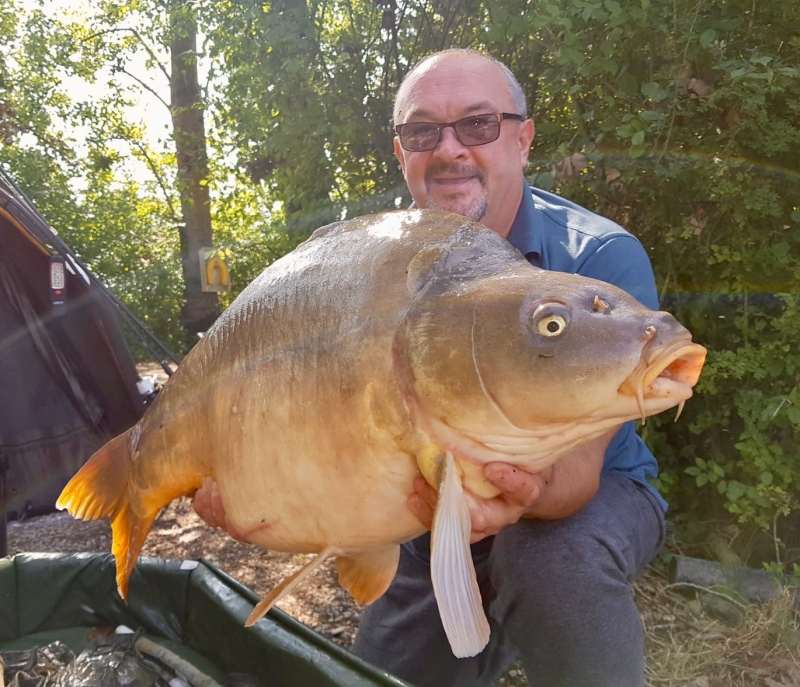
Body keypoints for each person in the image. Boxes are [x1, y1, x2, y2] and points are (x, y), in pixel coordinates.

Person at [194, 49, 665, 687]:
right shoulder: (373, 265)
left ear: (522, 140)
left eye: (478, 124)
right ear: (401, 152)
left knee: (548, 563)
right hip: (429, 503)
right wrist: (280, 498)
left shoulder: (598, 260)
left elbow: (575, 474)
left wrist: (517, 497)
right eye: (423, 132)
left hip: (592, 496)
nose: (449, 149)